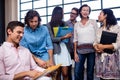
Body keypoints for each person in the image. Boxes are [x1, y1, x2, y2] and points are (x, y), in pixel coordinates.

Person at [93, 9, 120, 80]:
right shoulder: (99, 29)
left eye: (100, 14)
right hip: (100, 58)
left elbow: (118, 44)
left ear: (106, 15)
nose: (98, 16)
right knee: (101, 78)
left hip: (111, 58)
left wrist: (103, 47)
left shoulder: (116, 28)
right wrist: (96, 47)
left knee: (110, 78)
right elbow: (95, 42)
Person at [47, 6, 72, 80]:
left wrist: (68, 35)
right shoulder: (49, 25)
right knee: (57, 74)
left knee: (65, 73)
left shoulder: (65, 24)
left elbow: (67, 35)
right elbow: (51, 39)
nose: (63, 14)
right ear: (58, 13)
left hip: (64, 49)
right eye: (62, 12)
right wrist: (63, 37)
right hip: (55, 51)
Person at [73, 4, 98, 80]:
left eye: (87, 10)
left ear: (89, 12)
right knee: (77, 71)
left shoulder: (93, 22)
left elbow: (97, 36)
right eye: (84, 10)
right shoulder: (76, 24)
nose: (85, 12)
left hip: (92, 51)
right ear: (80, 11)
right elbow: (75, 39)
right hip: (80, 51)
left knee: (90, 72)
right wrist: (75, 53)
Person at [66, 7, 79, 80]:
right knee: (68, 69)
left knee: (78, 68)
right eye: (71, 13)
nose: (71, 14)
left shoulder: (78, 24)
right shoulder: (65, 23)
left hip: (77, 49)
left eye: (74, 13)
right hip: (68, 49)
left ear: (77, 15)